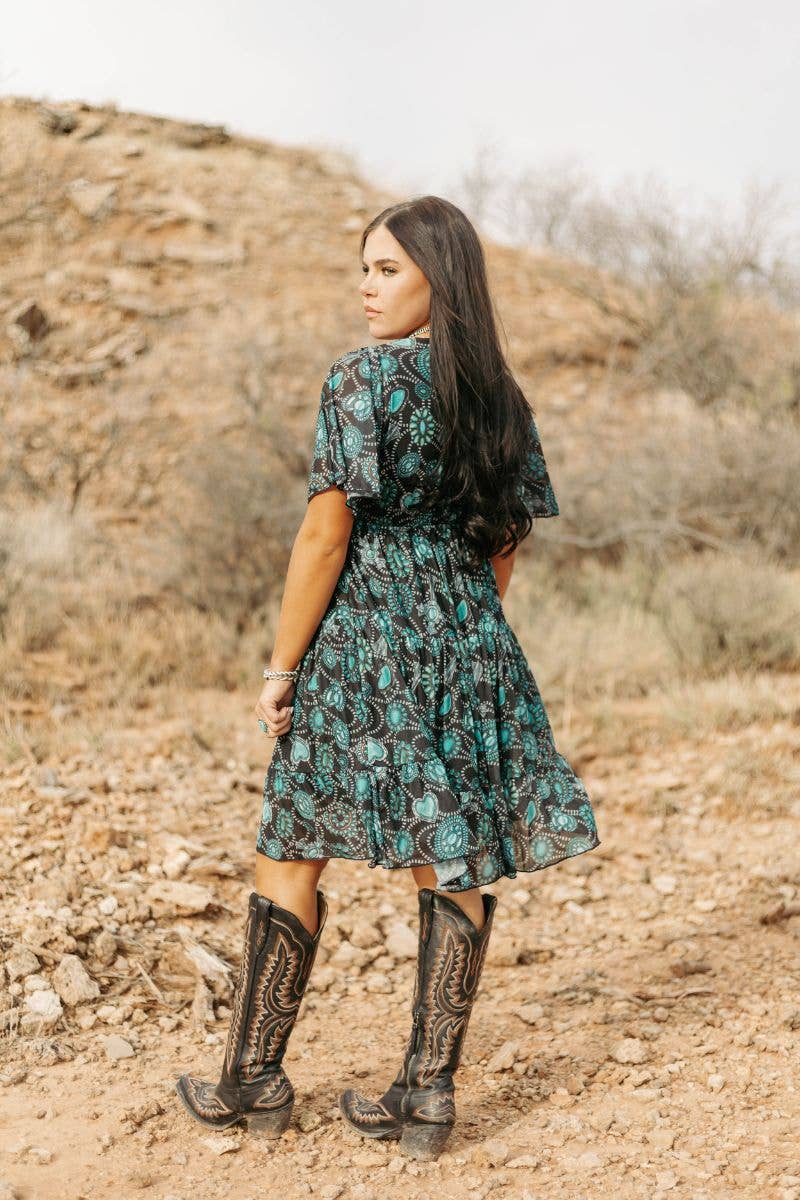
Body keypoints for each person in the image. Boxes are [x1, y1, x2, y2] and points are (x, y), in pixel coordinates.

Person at [176, 195, 601, 1160]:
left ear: (436, 281)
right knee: (450, 851)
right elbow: (507, 537)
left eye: (386, 270)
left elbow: (325, 536)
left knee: (291, 843)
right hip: (470, 638)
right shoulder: (501, 395)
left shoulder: (360, 379)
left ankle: (251, 1080)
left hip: (363, 642)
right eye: (363, 270)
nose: (366, 289)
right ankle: (426, 1096)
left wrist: (283, 666)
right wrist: (459, 624)